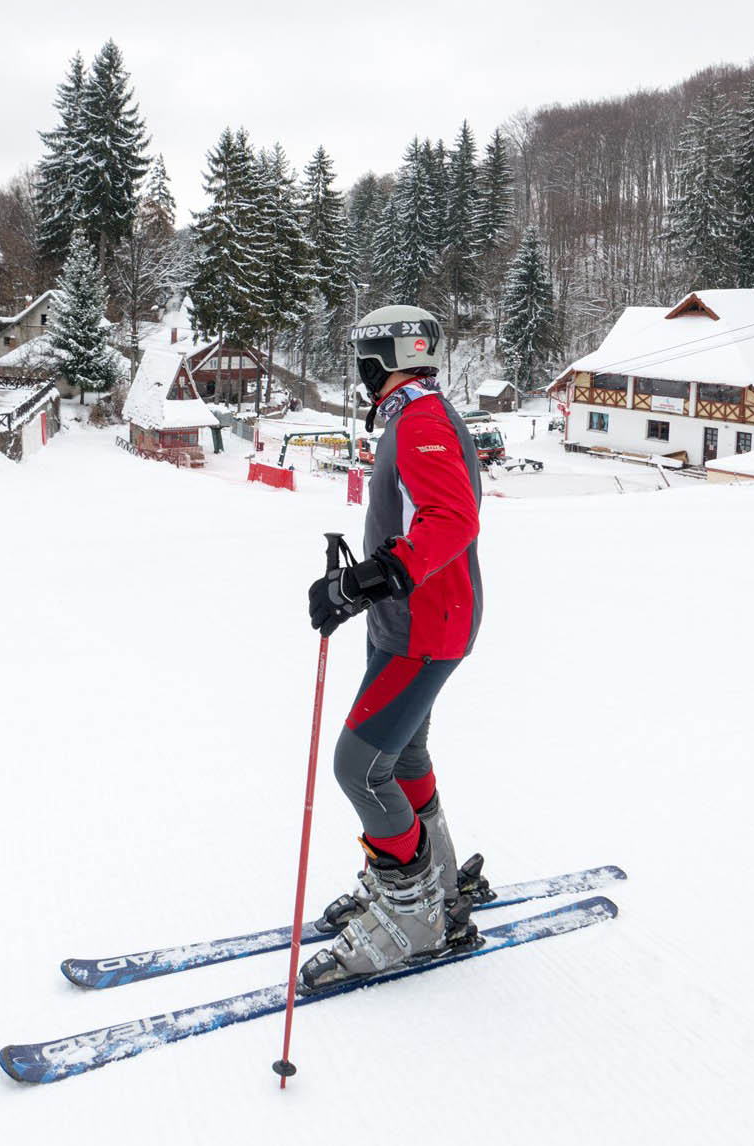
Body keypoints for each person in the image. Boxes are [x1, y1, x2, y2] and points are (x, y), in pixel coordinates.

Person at [300, 304, 485, 992]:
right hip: (409, 620)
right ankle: (435, 891)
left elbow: (452, 519)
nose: (358, 370)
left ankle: (413, 918)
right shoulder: (412, 414)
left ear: (386, 356)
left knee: (359, 768)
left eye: (363, 356)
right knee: (401, 755)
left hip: (425, 626)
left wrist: (365, 582)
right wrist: (357, 589)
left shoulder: (424, 419)